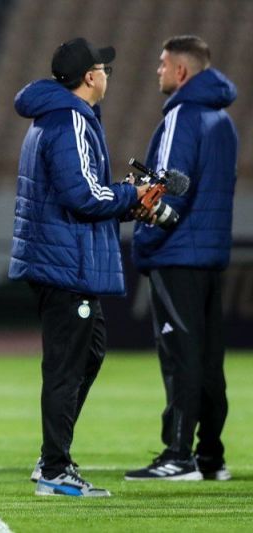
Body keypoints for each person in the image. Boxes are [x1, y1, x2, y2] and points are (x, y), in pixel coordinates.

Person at [9, 38, 150, 497]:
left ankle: (52, 456)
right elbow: (83, 196)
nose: (107, 74)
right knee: (67, 366)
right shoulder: (69, 119)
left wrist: (124, 199)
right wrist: (131, 195)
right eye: (103, 68)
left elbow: (78, 192)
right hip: (66, 263)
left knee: (88, 353)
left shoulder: (57, 116)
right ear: (90, 77)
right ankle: (54, 468)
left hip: (63, 258)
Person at [125, 36, 237, 482]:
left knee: (181, 356)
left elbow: (170, 191)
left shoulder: (181, 116)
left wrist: (145, 231)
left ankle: (178, 455)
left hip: (176, 252)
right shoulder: (222, 120)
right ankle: (210, 456)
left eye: (162, 63)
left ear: (181, 72)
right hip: (210, 252)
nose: (158, 71)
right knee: (209, 359)